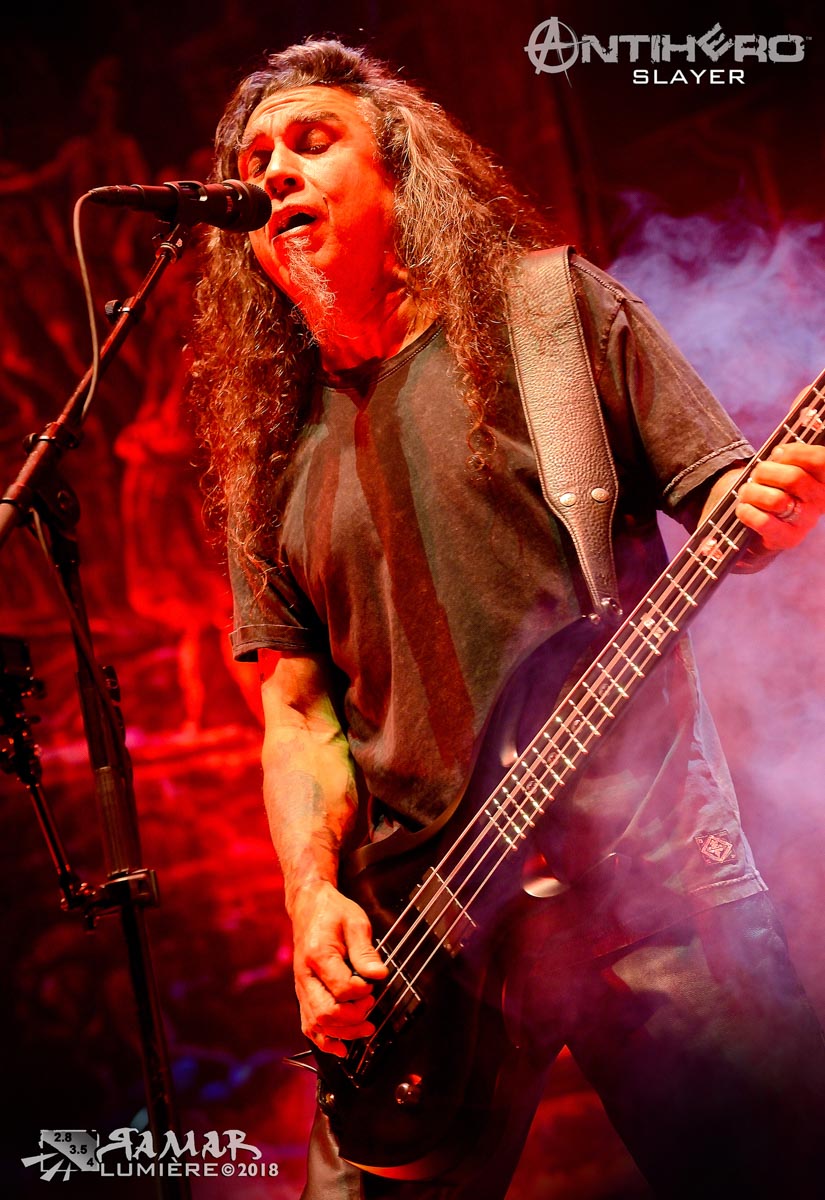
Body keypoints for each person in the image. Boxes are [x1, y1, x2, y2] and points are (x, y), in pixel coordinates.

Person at [189, 38, 825, 1199]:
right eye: (254, 160)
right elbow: (295, 711)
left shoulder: (549, 316)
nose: (274, 170)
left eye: (312, 142)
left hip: (654, 887)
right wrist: (310, 896)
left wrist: (769, 503)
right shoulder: (270, 454)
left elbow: (728, 499)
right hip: (419, 945)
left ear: (400, 174)